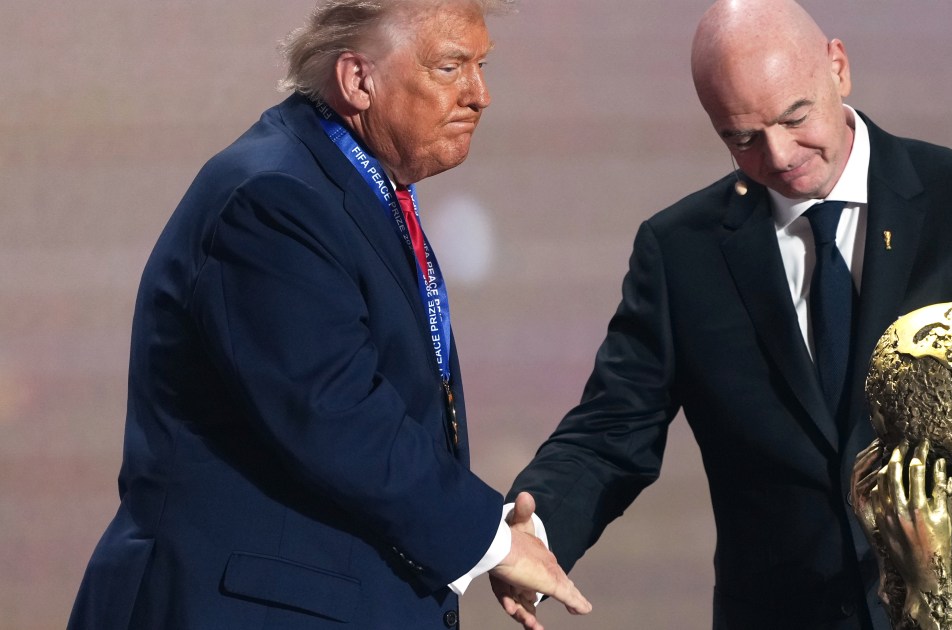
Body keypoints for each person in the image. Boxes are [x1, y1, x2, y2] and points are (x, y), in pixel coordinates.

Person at [503, 1, 952, 628]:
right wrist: (534, 532)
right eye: (741, 138)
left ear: (838, 68)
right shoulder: (681, 251)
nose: (779, 154)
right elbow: (611, 431)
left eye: (795, 117)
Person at [67, 1, 589, 628]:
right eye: (451, 68)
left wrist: (490, 534)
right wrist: (492, 543)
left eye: (482, 66)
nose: (480, 95)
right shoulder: (274, 198)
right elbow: (336, 412)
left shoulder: (348, 187)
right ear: (357, 80)